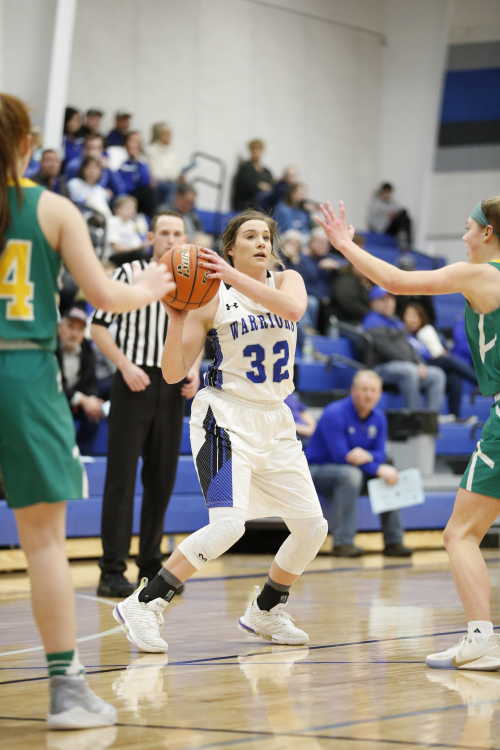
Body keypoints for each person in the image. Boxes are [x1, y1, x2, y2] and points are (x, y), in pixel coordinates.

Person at [0, 93, 172, 728]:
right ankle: (67, 691)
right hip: (22, 370)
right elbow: (103, 294)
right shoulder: (50, 208)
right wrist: (149, 286)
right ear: (26, 146)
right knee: (43, 541)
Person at [113, 209, 328, 651]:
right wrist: (177, 317)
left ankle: (265, 610)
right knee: (229, 526)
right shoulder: (211, 298)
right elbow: (173, 373)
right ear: (230, 248)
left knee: (312, 527)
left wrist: (230, 275)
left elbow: (293, 310)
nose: (262, 242)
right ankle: (145, 603)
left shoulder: (288, 281)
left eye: (266, 236)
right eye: (250, 236)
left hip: (276, 420)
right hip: (225, 418)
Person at [317, 197, 500, 670]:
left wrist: (344, 244)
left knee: (460, 533)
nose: (463, 236)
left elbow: (396, 282)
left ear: (488, 233)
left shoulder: (481, 274)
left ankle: (481, 638)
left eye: (469, 227)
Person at [91, 210, 199, 597]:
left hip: (171, 386)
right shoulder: (129, 272)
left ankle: (151, 564)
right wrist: (124, 366)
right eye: (164, 232)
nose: (171, 239)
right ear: (151, 237)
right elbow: (98, 327)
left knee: (161, 479)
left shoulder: (192, 280)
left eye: (177, 233)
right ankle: (111, 570)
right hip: (132, 382)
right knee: (121, 479)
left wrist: (194, 369)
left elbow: (197, 332)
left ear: (184, 239)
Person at [306, 370, 412, 557]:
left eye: (373, 390)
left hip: (354, 470)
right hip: (317, 472)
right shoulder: (334, 413)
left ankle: (394, 542)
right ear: (353, 390)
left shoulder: (379, 417)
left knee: (389, 473)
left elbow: (380, 454)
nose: (368, 395)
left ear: (379, 394)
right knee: (351, 474)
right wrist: (376, 466)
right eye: (364, 389)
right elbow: (340, 456)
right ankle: (343, 543)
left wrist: (369, 457)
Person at [363, 286, 446, 412]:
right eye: (383, 300)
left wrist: (420, 363)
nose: (388, 303)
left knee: (437, 375)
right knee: (410, 371)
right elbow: (388, 351)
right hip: (381, 367)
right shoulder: (372, 322)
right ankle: (414, 415)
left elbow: (410, 345)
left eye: (391, 299)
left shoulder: (396, 321)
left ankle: (430, 417)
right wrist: (414, 364)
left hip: (405, 366)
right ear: (373, 303)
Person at [402, 302, 477, 419]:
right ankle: (478, 381)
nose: (413, 319)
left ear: (421, 318)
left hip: (433, 364)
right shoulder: (402, 335)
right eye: (409, 315)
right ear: (403, 317)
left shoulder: (425, 332)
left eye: (415, 316)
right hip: (420, 366)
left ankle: (455, 416)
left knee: (454, 378)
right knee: (448, 360)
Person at [57, 307, 104, 455]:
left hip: (75, 403)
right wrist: (82, 399)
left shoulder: (87, 350)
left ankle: (82, 455)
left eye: (80, 329)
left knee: (93, 416)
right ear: (59, 327)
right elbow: (51, 385)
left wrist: (91, 399)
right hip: (54, 401)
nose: (74, 333)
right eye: (70, 327)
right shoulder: (50, 350)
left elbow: (91, 382)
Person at [231, 139, 274, 211]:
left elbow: (272, 186)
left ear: (263, 151)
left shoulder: (267, 171)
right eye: (254, 149)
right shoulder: (245, 167)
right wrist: (259, 186)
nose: (256, 152)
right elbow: (245, 186)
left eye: (259, 149)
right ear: (250, 151)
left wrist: (263, 186)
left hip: (264, 203)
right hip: (247, 203)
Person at [367, 182, 413, 249]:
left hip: (391, 227)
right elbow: (371, 220)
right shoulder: (375, 202)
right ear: (382, 192)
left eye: (389, 193)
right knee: (401, 217)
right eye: (386, 192)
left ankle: (405, 238)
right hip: (382, 228)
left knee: (405, 217)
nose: (387, 195)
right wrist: (390, 214)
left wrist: (394, 215)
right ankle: (403, 238)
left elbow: (401, 210)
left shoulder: (392, 202)